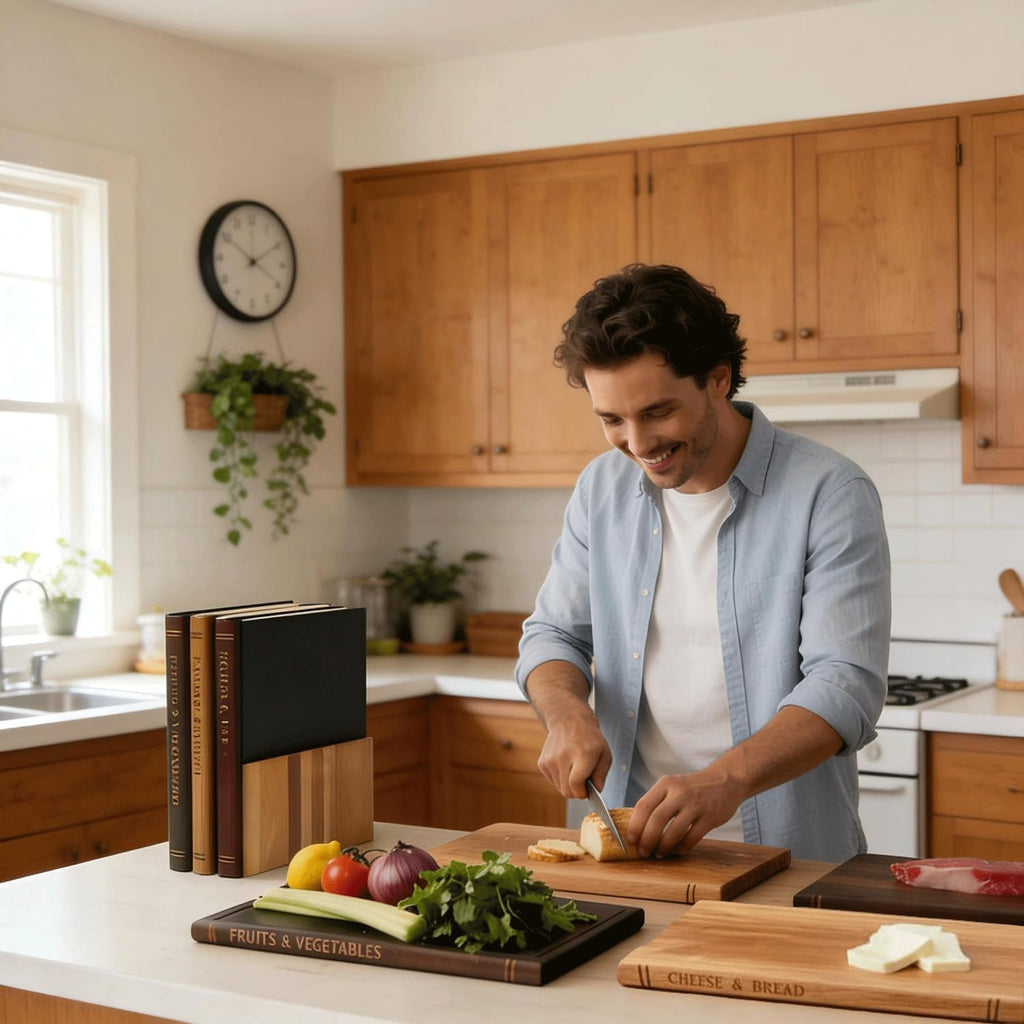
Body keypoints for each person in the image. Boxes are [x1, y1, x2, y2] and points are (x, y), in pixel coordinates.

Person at [514, 263, 891, 863]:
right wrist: (566, 713)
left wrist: (727, 780)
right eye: (612, 419)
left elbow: (844, 684)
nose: (637, 445)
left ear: (718, 379)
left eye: (657, 413)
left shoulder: (830, 491)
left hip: (784, 853)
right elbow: (553, 634)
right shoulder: (601, 488)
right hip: (627, 845)